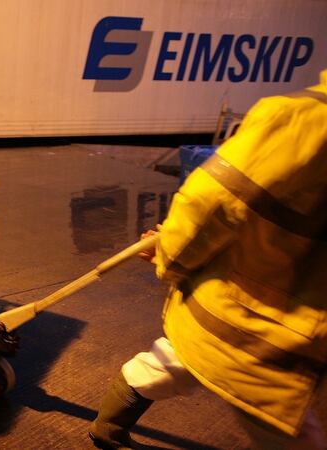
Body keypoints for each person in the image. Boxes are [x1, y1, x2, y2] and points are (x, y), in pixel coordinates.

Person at [89, 70, 327, 449]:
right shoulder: (306, 120)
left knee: (181, 358)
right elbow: (209, 203)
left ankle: (109, 425)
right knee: (291, 435)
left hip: (254, 316)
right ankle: (109, 425)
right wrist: (168, 254)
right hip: (261, 326)